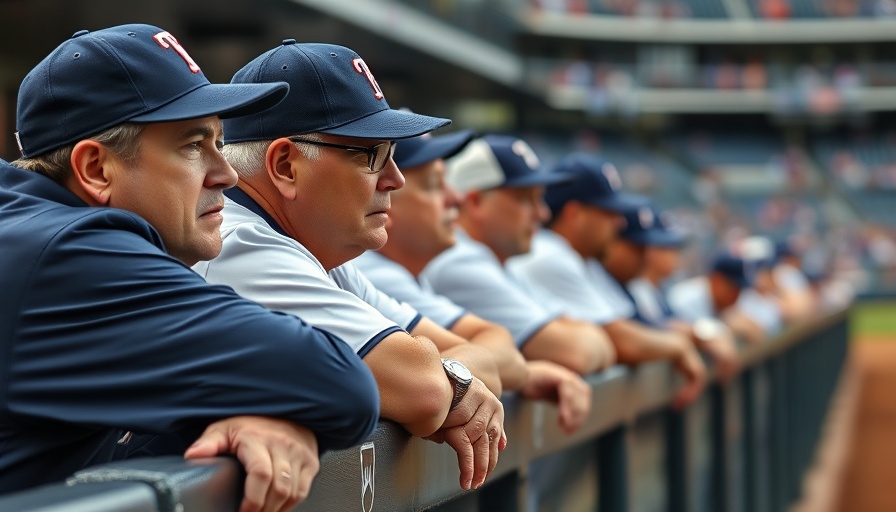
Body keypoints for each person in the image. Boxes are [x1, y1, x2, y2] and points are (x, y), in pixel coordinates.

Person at [1, 24, 380, 512]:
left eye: (219, 143)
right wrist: (273, 405)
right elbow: (341, 383)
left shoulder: (30, 229)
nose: (225, 173)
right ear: (96, 169)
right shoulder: (70, 256)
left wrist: (243, 409)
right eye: (192, 145)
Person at [195, 40, 505, 491]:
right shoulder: (237, 245)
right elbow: (425, 391)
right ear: (285, 165)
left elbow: (486, 362)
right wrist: (448, 384)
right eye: (371, 153)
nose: (394, 178)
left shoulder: (316, 248)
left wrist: (448, 382)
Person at [354, 130, 593, 434]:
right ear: (386, 200)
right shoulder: (377, 270)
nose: (456, 197)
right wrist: (465, 378)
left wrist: (516, 372)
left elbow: (498, 349)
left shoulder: (397, 271)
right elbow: (428, 388)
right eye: (434, 185)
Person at [504, 152, 706, 409]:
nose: (619, 222)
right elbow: (624, 342)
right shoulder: (549, 253)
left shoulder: (582, 259)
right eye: (608, 212)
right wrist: (679, 344)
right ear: (575, 213)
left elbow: (623, 330)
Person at [420, 135, 618, 377]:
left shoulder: (501, 262)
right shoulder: (458, 260)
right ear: (476, 201)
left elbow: (601, 344)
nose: (542, 214)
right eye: (526, 199)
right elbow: (578, 352)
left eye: (540, 198)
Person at [604, 206, 739, 383]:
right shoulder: (637, 287)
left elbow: (669, 323)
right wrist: (695, 338)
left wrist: (707, 332)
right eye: (667, 246)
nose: (675, 254)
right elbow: (654, 329)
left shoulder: (655, 290)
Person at [666, 251, 766, 344]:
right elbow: (690, 331)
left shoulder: (721, 299)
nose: (737, 295)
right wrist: (725, 328)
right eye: (735, 289)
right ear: (716, 281)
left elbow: (756, 331)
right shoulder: (686, 299)